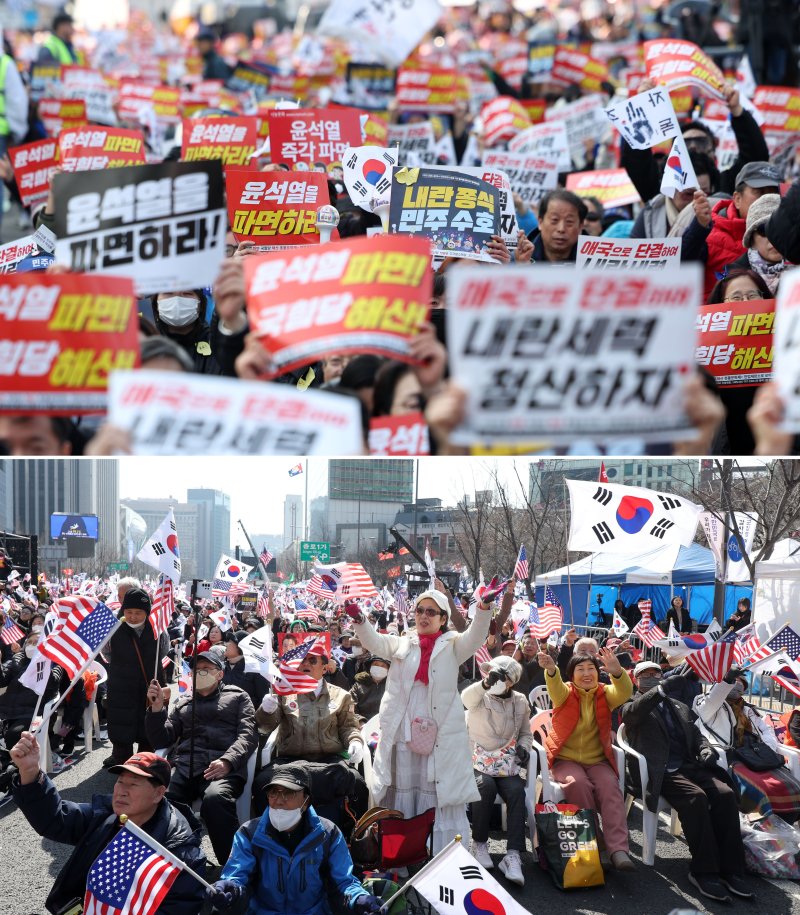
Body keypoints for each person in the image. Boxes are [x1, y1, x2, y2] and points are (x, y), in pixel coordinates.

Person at [345, 589, 492, 852]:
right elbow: (375, 642)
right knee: (401, 787)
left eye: (431, 612)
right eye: (419, 610)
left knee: (435, 790)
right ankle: (400, 854)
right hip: (403, 732)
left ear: (443, 618)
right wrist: (359, 619)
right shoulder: (403, 642)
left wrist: (483, 607)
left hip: (440, 736)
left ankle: (436, 855)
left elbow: (477, 636)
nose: (423, 616)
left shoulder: (453, 644)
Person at [10, 738, 207, 914]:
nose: (121, 791)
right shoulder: (108, 815)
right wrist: (30, 772)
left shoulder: (178, 851)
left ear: (158, 794)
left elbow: (179, 906)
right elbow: (56, 819)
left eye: (133, 784)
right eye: (120, 782)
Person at [620, 662, 753, 902]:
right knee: (696, 798)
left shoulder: (680, 706)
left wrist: (704, 749)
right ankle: (704, 871)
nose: (651, 677)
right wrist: (659, 690)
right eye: (645, 675)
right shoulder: (631, 704)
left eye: (656, 673)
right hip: (660, 769)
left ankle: (731, 868)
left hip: (689, 765)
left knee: (725, 794)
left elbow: (696, 733)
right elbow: (631, 715)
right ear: (635, 678)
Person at [207, 764, 382, 915]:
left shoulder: (328, 834)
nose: (279, 801)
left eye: (289, 793)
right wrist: (232, 889)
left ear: (306, 801)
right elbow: (237, 877)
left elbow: (343, 881)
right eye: (273, 793)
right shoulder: (248, 833)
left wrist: (359, 899)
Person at [145, 650, 258, 864]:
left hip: (222, 768)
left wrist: (228, 760)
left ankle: (234, 866)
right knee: (161, 799)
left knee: (215, 800)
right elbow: (162, 740)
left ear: (220, 674)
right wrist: (157, 708)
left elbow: (248, 735)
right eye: (197, 670)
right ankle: (178, 858)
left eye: (207, 669)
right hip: (186, 766)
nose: (200, 673)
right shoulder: (184, 702)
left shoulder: (239, 696)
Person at [539, 648, 634, 871]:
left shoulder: (605, 693)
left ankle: (619, 849)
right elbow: (555, 687)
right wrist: (552, 670)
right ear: (571, 676)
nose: (586, 673)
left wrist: (617, 672)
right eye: (580, 669)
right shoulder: (565, 694)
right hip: (565, 759)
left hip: (597, 760)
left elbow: (624, 692)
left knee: (610, 788)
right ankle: (594, 840)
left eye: (591, 668)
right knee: (577, 784)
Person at [253, 640, 366, 820]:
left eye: (312, 660)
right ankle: (266, 835)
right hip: (290, 760)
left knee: (357, 783)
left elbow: (348, 727)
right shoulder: (283, 693)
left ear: (324, 667)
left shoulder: (341, 695)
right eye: (302, 660)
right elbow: (265, 726)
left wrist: (355, 741)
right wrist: (266, 710)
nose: (305, 664)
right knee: (261, 783)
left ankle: (355, 837)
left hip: (329, 761)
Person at [694, 669, 800, 823]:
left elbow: (766, 730)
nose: (737, 686)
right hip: (732, 756)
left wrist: (767, 749)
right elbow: (711, 702)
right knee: (764, 791)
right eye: (733, 681)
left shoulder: (748, 709)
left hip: (757, 755)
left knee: (793, 786)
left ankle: (783, 828)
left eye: (741, 684)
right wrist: (726, 680)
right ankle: (763, 827)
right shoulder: (706, 702)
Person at [463, 655, 531, 885]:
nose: (496, 680)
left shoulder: (520, 701)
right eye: (492, 674)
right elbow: (466, 698)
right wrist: (484, 684)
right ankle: (479, 843)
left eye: (502, 677)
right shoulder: (480, 696)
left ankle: (512, 854)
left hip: (505, 761)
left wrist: (524, 748)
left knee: (516, 792)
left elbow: (525, 733)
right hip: (477, 759)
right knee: (485, 786)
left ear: (512, 681)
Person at [683, 161, 782, 300]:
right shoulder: (709, 235)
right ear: (737, 199)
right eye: (759, 192)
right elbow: (682, 268)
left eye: (774, 192)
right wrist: (699, 227)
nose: (768, 199)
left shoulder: (792, 238)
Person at [103, 586, 168, 768]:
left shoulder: (158, 629)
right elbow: (107, 654)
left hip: (150, 685)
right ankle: (123, 765)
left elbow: (162, 651)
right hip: (120, 685)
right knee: (121, 728)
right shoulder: (113, 628)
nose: (133, 616)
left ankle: (143, 765)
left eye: (138, 612)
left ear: (147, 612)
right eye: (129, 612)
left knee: (148, 728)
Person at [150, 288, 246, 376]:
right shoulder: (145, 344)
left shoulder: (218, 344)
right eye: (168, 293)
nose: (177, 300)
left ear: (201, 304)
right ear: (155, 302)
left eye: (187, 293)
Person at [727, 194, 788, 295]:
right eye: (763, 230)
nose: (773, 238)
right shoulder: (732, 275)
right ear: (751, 239)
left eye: (780, 229)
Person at [515, 189, 585, 265]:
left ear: (580, 226)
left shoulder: (596, 264)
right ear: (540, 222)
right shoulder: (514, 260)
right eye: (554, 220)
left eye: (569, 221)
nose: (561, 229)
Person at [223, 630, 268, 709]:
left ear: (240, 647)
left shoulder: (255, 670)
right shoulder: (221, 667)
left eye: (230, 642)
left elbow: (262, 699)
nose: (226, 644)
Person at [349, 656, 390, 722]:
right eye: (376, 664)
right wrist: (360, 721)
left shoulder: (392, 686)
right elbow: (351, 706)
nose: (379, 668)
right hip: (362, 725)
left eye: (383, 666)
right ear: (370, 666)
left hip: (387, 725)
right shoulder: (359, 685)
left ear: (388, 669)